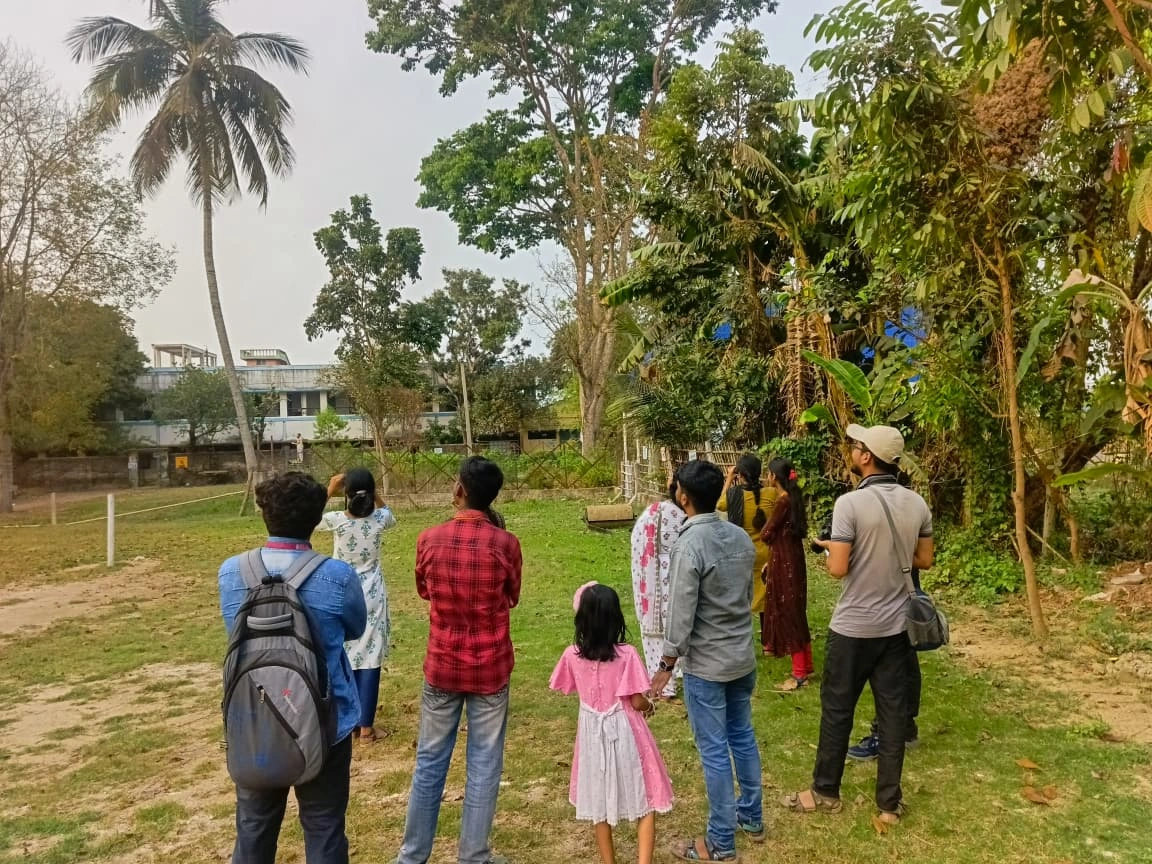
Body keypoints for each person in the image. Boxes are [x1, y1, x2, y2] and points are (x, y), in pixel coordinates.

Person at [787, 424, 933, 826]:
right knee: (892, 714)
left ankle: (825, 792)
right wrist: (890, 552)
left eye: (856, 446)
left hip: (853, 627)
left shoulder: (849, 504)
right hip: (897, 627)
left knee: (838, 709)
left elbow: (838, 569)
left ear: (867, 457)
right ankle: (889, 804)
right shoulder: (917, 504)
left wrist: (831, 548)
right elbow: (924, 560)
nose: (851, 450)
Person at [218, 472, 367, 864]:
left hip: (253, 717)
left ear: (263, 513)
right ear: (318, 518)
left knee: (253, 827)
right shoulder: (337, 576)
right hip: (326, 720)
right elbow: (355, 629)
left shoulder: (232, 572)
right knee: (324, 826)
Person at [394, 456, 523, 864]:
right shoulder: (506, 544)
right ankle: (473, 855)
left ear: (459, 490)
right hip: (490, 667)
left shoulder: (429, 539)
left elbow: (424, 590)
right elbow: (512, 596)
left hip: (443, 663)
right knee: (484, 763)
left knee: (429, 761)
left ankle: (412, 856)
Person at [650, 460, 764, 863]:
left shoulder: (689, 544)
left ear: (683, 496)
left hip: (708, 666)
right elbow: (746, 596)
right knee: (742, 736)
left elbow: (681, 613)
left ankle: (720, 841)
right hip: (741, 657)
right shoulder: (739, 537)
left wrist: (666, 665)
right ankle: (752, 817)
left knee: (714, 750)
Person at [550, 582, 674, 864]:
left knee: (599, 802)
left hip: (592, 736)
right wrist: (650, 706)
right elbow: (637, 701)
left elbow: (565, 685)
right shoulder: (627, 655)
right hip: (628, 733)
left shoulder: (571, 655)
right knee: (645, 796)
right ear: (616, 618)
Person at [318, 469, 397, 743]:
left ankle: (348, 721)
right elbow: (390, 515)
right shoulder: (379, 520)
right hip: (372, 595)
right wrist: (374, 493)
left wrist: (330, 487)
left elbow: (310, 518)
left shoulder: (336, 520)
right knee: (371, 657)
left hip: (341, 593)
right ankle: (366, 727)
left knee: (343, 654)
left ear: (347, 494)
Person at [846, 564, 924, 760]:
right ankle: (901, 729)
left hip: (891, 586)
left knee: (895, 658)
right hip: (891, 584)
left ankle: (889, 733)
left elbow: (924, 558)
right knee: (902, 655)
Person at [759, 457, 814, 691]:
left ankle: (799, 673)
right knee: (797, 611)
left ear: (774, 476)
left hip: (784, 562)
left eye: (768, 473)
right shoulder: (794, 498)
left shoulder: (783, 501)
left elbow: (766, 533)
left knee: (789, 613)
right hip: (793, 559)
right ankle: (806, 665)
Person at [629, 474, 686, 698]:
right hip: (676, 582)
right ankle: (681, 673)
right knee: (679, 629)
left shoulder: (650, 513)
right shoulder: (684, 518)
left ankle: (663, 686)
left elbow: (636, 544)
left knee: (655, 636)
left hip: (650, 584)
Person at [717, 455, 777, 652]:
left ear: (740, 474)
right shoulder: (771, 493)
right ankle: (768, 646)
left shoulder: (734, 495)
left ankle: (742, 644)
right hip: (767, 554)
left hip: (742, 554)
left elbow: (719, 505)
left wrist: (729, 478)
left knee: (742, 599)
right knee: (766, 600)